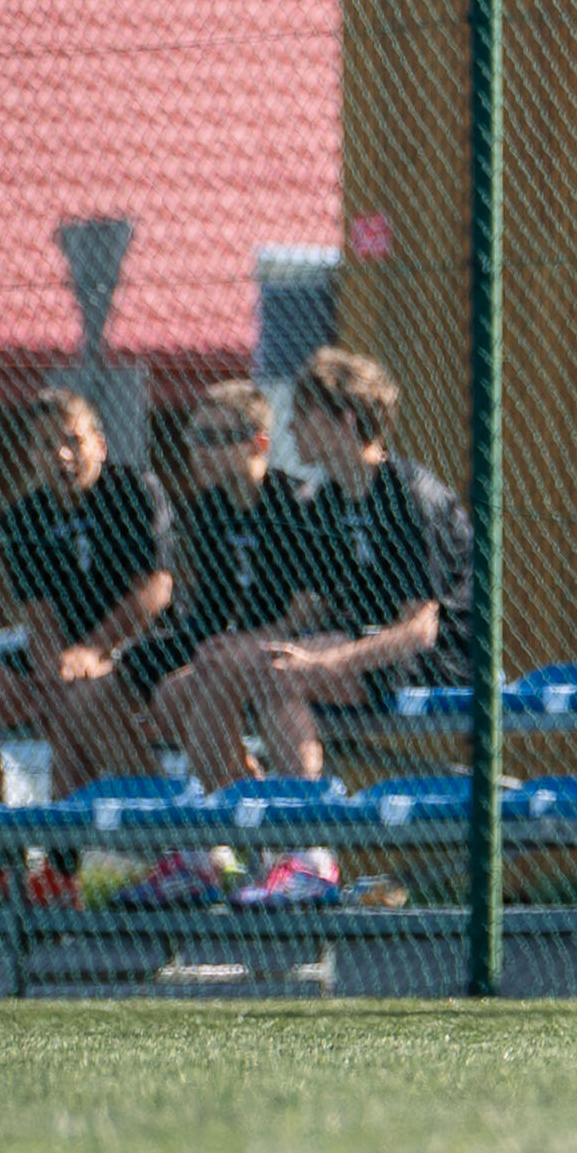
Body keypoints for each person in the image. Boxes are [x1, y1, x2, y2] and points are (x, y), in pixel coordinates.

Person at [172, 348, 472, 909]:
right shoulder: (329, 500)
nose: (290, 429)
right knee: (210, 675)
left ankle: (308, 856)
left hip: (434, 657)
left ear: (344, 421)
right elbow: (310, 611)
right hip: (358, 643)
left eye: (303, 416)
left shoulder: (409, 494)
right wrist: (241, 648)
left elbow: (420, 629)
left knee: (282, 675)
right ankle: (224, 852)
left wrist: (322, 662)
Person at [0, 390, 178, 907]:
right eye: (47, 445)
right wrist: (53, 667)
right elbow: (39, 614)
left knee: (76, 702)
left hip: (137, 650)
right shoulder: (22, 519)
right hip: (66, 659)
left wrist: (93, 651)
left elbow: (156, 589)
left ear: (100, 444)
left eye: (73, 440)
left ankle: (168, 852)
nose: (62, 455)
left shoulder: (135, 491)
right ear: (31, 455)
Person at [121, 381, 325, 908]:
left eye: (216, 438)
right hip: (240, 652)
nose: (201, 451)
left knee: (209, 678)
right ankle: (240, 842)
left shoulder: (297, 503)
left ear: (258, 443)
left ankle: (293, 851)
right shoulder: (210, 509)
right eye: (197, 437)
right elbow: (211, 615)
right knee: (169, 693)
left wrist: (238, 644)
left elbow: (308, 611)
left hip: (298, 648)